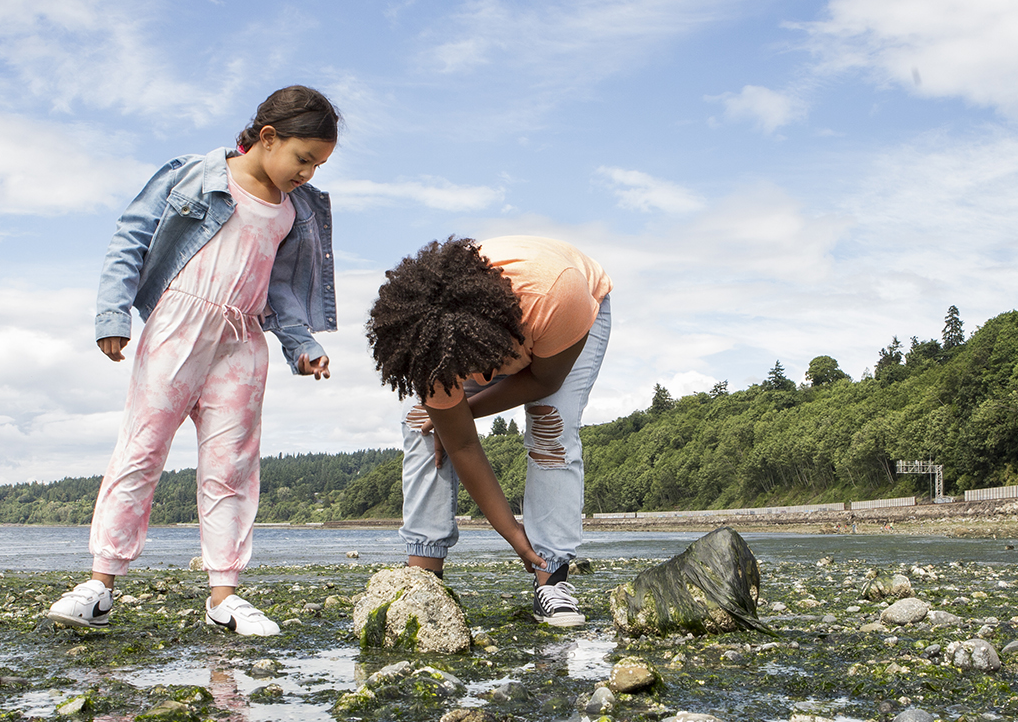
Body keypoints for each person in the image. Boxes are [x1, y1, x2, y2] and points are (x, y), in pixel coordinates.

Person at [48, 86, 340, 635]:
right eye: (303, 159)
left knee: (232, 465)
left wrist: (302, 345)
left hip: (243, 340)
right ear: (269, 137)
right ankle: (100, 583)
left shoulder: (294, 210)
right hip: (178, 326)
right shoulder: (196, 175)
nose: (308, 175)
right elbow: (130, 236)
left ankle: (223, 595)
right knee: (141, 450)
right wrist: (113, 315)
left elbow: (281, 288)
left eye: (319, 165)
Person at [366, 235, 612, 627]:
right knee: (420, 423)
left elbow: (543, 381)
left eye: (492, 365)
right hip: (474, 331)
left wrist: (461, 412)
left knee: (551, 426)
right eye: (471, 373)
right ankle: (425, 574)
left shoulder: (556, 296)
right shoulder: (432, 343)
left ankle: (552, 577)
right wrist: (513, 533)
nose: (487, 378)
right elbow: (461, 444)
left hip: (568, 314)